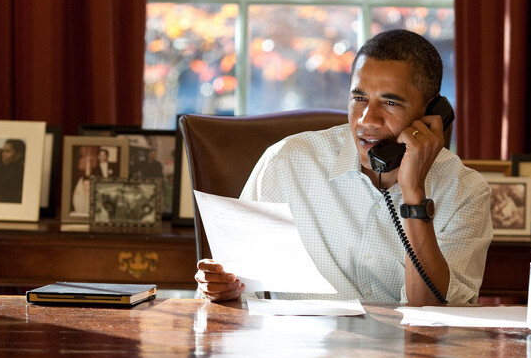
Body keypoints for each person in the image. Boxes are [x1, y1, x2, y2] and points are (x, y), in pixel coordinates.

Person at [195, 29, 493, 305]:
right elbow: (225, 295)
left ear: (431, 114)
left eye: (390, 103)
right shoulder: (285, 163)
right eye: (359, 98)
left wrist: (413, 192)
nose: (367, 120)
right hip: (297, 356)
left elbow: (433, 320)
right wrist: (222, 288)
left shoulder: (466, 192)